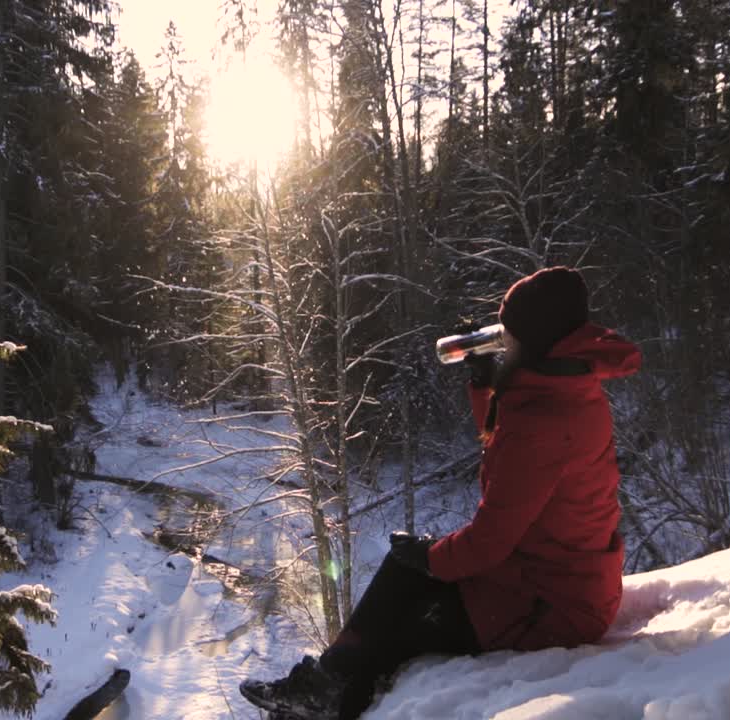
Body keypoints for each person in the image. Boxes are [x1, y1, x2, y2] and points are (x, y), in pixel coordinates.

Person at [239, 266, 642, 719]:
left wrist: (428, 558)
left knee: (402, 612)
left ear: (534, 338)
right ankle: (328, 694)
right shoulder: (567, 386)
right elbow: (507, 452)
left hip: (552, 606)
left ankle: (326, 692)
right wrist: (484, 384)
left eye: (509, 332)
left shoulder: (543, 421)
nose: (502, 339)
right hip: (560, 580)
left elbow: (489, 540)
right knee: (405, 587)